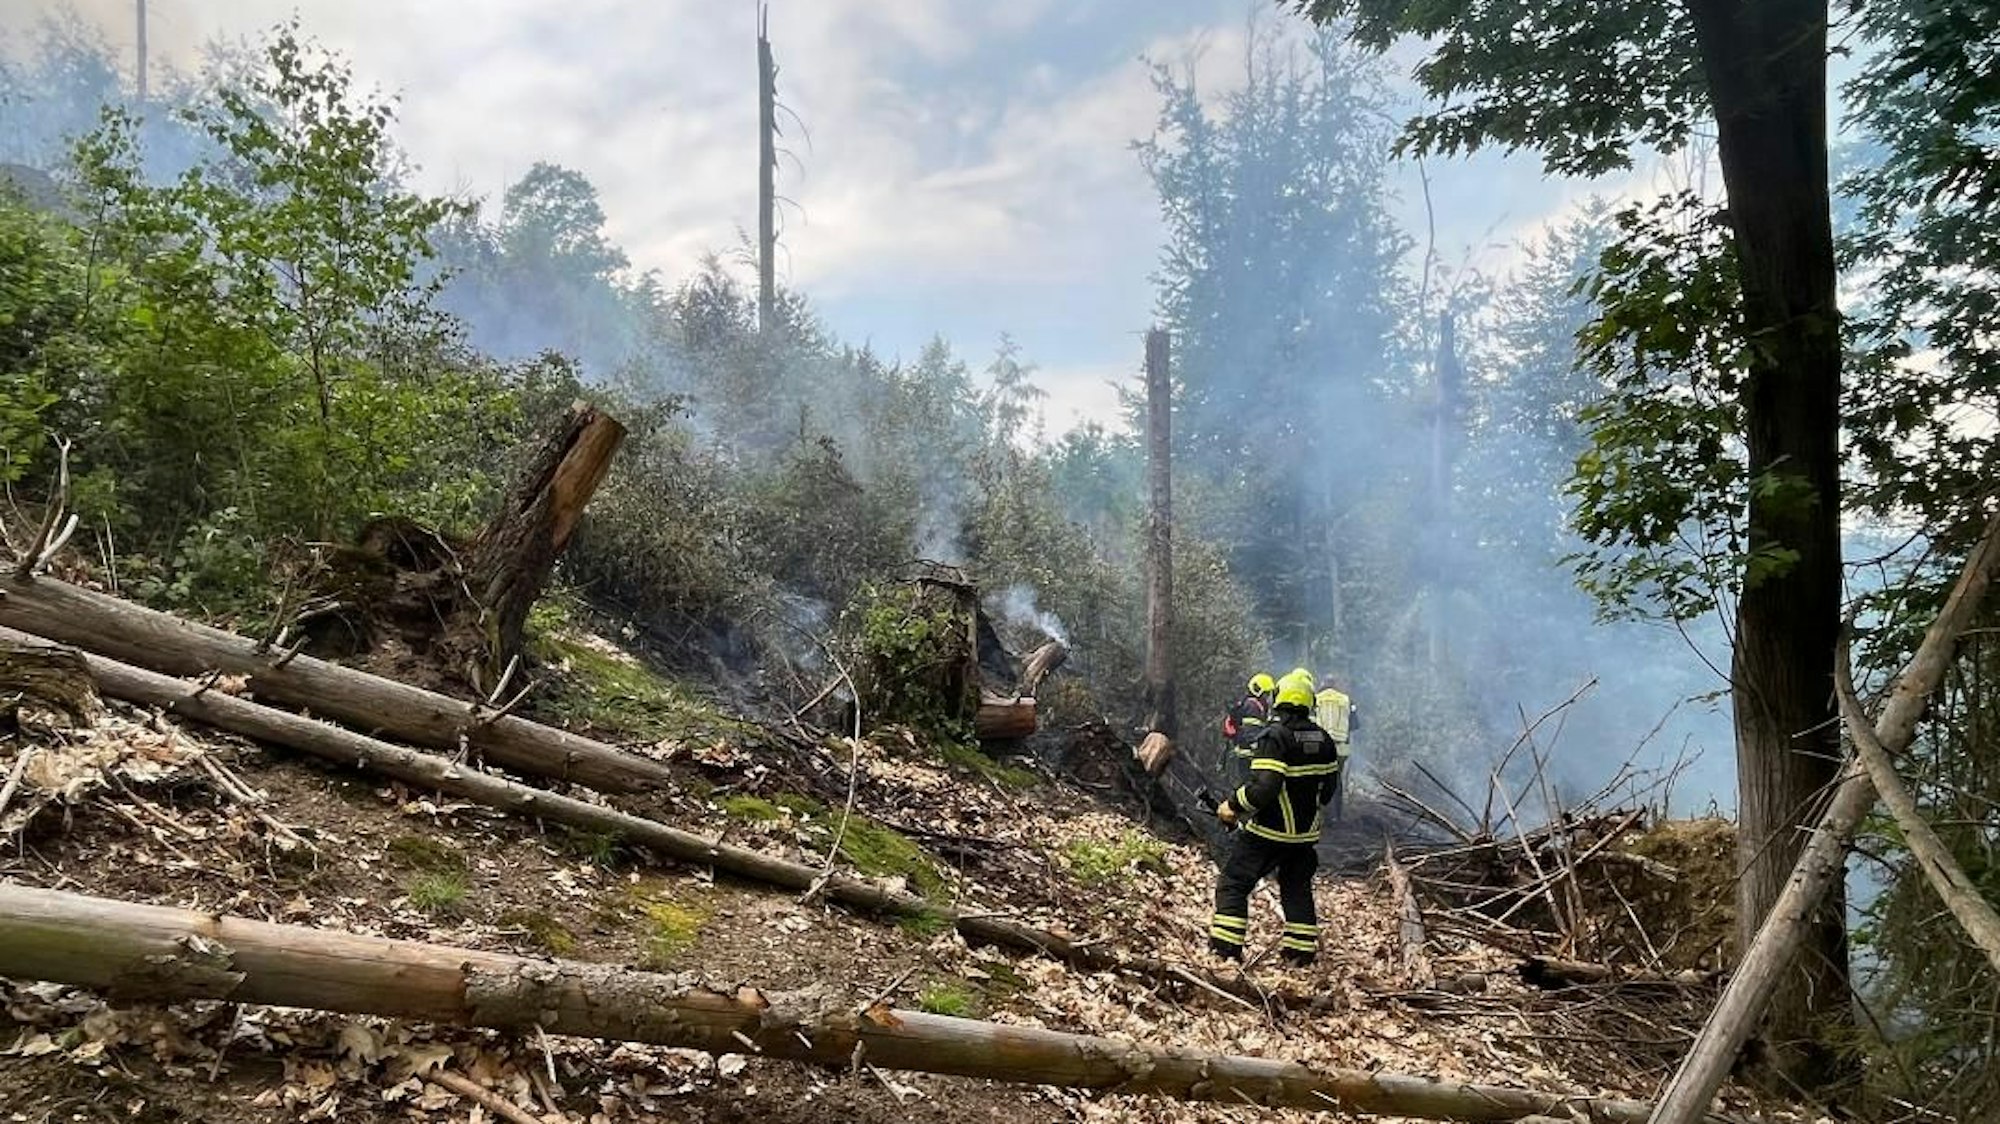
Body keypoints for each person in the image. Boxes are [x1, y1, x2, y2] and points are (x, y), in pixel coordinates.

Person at [1207, 668, 1340, 966]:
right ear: (1309, 703)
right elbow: (1329, 791)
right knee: (1296, 886)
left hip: (1269, 833)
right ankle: (1301, 952)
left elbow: (1264, 788)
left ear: (1279, 700)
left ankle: (1225, 950)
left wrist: (1232, 805)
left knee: (1234, 881)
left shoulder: (1276, 737)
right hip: (1305, 838)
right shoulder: (1325, 740)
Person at [1218, 672, 1275, 788]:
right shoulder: (1252, 706)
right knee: (1249, 786)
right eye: (1266, 693)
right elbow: (1251, 733)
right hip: (1247, 756)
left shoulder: (1254, 705)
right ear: (1258, 691)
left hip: (1247, 755)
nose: (1268, 697)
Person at [1312, 678, 1357, 821]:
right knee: (1336, 780)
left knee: (1316, 780)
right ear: (1336, 686)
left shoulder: (1315, 700)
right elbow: (1355, 725)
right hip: (1340, 749)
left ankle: (1317, 815)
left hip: (1319, 748)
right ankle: (1336, 816)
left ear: (1322, 685)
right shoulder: (1346, 700)